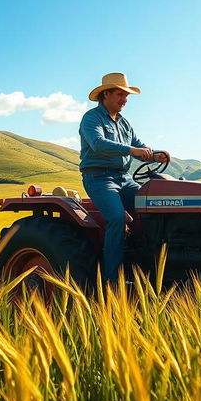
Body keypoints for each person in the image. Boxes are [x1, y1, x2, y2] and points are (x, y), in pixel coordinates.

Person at [79, 72, 169, 282]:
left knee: (154, 209)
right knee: (117, 219)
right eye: (120, 94)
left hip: (125, 178)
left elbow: (140, 147)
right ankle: (112, 281)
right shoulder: (91, 118)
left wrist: (157, 155)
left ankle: (145, 265)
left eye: (126, 96)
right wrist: (133, 151)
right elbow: (98, 144)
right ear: (106, 95)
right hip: (99, 178)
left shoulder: (124, 123)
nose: (124, 100)